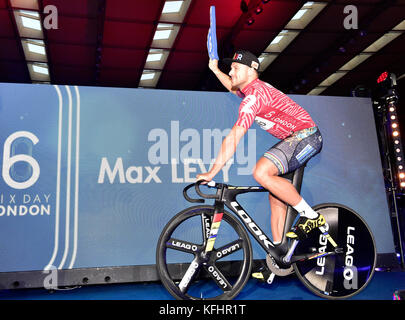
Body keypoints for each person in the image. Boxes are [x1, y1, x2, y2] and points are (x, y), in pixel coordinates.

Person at [196, 49, 325, 250]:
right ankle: (279, 257)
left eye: (235, 68)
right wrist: (215, 70)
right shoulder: (251, 90)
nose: (231, 72)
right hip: (297, 138)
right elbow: (232, 88)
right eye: (230, 69)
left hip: (307, 136)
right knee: (275, 196)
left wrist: (212, 172)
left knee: (261, 172)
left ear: (250, 71)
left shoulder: (254, 97)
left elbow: (233, 137)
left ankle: (312, 217)